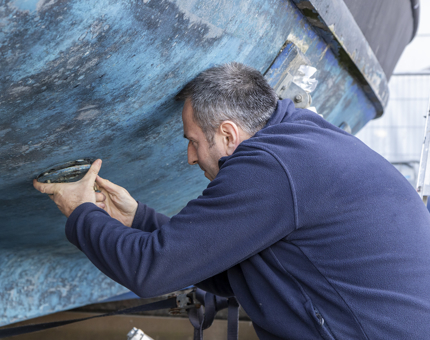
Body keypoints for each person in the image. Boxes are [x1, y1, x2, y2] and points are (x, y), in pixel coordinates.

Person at [34, 62, 430, 339]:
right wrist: (139, 219)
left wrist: (80, 211)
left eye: (193, 141)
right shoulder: (299, 141)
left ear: (227, 134)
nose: (190, 157)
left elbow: (151, 271)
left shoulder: (273, 167)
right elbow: (239, 271)